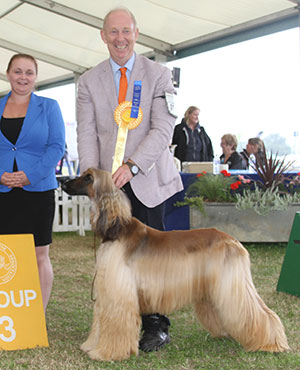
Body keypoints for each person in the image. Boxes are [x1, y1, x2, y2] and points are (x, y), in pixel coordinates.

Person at [76, 7, 183, 352]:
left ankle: (156, 324)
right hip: (111, 189)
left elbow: (164, 127)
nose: (120, 38)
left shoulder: (161, 74)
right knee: (116, 260)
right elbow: (87, 132)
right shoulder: (88, 81)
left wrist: (134, 165)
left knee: (151, 259)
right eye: (113, 32)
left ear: (136, 34)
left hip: (149, 179)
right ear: (103, 36)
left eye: (126, 31)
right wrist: (96, 180)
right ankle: (120, 318)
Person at [0, 54, 65, 312]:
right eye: (18, 72)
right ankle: (9, 313)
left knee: (40, 255)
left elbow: (56, 147)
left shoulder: (49, 107)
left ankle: (36, 315)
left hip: (38, 190)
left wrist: (30, 175)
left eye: (29, 72)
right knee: (4, 254)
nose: (23, 77)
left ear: (36, 77)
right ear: (8, 74)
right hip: (3, 190)